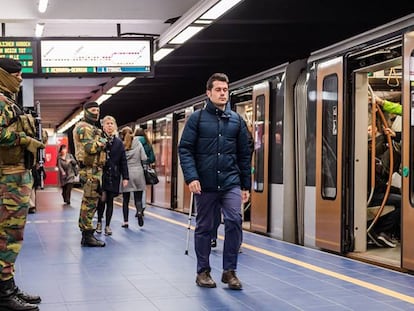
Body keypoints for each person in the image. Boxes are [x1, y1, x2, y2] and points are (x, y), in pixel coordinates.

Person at [178, 73, 252, 290]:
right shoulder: (197, 119)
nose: (222, 93)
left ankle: (229, 272)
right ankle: (203, 271)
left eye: (225, 90)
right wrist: (191, 177)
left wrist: (245, 185)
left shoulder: (236, 121)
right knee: (205, 226)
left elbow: (244, 154)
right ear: (208, 93)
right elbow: (185, 149)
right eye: (218, 90)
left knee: (234, 220)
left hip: (230, 181)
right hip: (205, 183)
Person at [0, 58, 44, 310]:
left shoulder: (9, 102)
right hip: (8, 179)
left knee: (11, 235)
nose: (19, 78)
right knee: (7, 235)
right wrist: (23, 139)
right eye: (15, 74)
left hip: (15, 177)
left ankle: (8, 286)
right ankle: (4, 296)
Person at [72, 101, 107, 247]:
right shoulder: (84, 127)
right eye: (93, 110)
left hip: (94, 169)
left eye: (98, 110)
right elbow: (90, 148)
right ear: (86, 111)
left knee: (90, 202)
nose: (96, 113)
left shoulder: (90, 127)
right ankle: (87, 235)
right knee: (89, 203)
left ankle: (86, 234)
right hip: (89, 170)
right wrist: (103, 141)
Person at [367, 124, 401, 247]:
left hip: (374, 190)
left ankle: (392, 233)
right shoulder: (366, 157)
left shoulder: (368, 155)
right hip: (372, 194)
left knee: (398, 194)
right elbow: (375, 184)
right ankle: (381, 231)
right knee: (402, 202)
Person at [96, 116, 129, 235]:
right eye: (107, 123)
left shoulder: (119, 143)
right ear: (103, 126)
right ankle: (99, 221)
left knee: (110, 201)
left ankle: (108, 226)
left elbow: (123, 160)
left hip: (114, 176)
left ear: (115, 126)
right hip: (101, 175)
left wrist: (125, 177)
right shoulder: (98, 140)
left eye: (111, 124)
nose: (110, 126)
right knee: (102, 199)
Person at [119, 126, 147, 228]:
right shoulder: (138, 143)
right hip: (138, 172)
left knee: (125, 200)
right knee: (138, 198)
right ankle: (139, 212)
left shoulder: (121, 145)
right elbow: (144, 157)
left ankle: (126, 222)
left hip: (126, 174)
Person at [134, 127, 155, 216]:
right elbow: (152, 158)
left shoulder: (132, 142)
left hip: (134, 168)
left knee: (135, 190)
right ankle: (143, 207)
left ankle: (138, 207)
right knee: (143, 189)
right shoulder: (148, 143)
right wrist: (146, 161)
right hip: (145, 169)